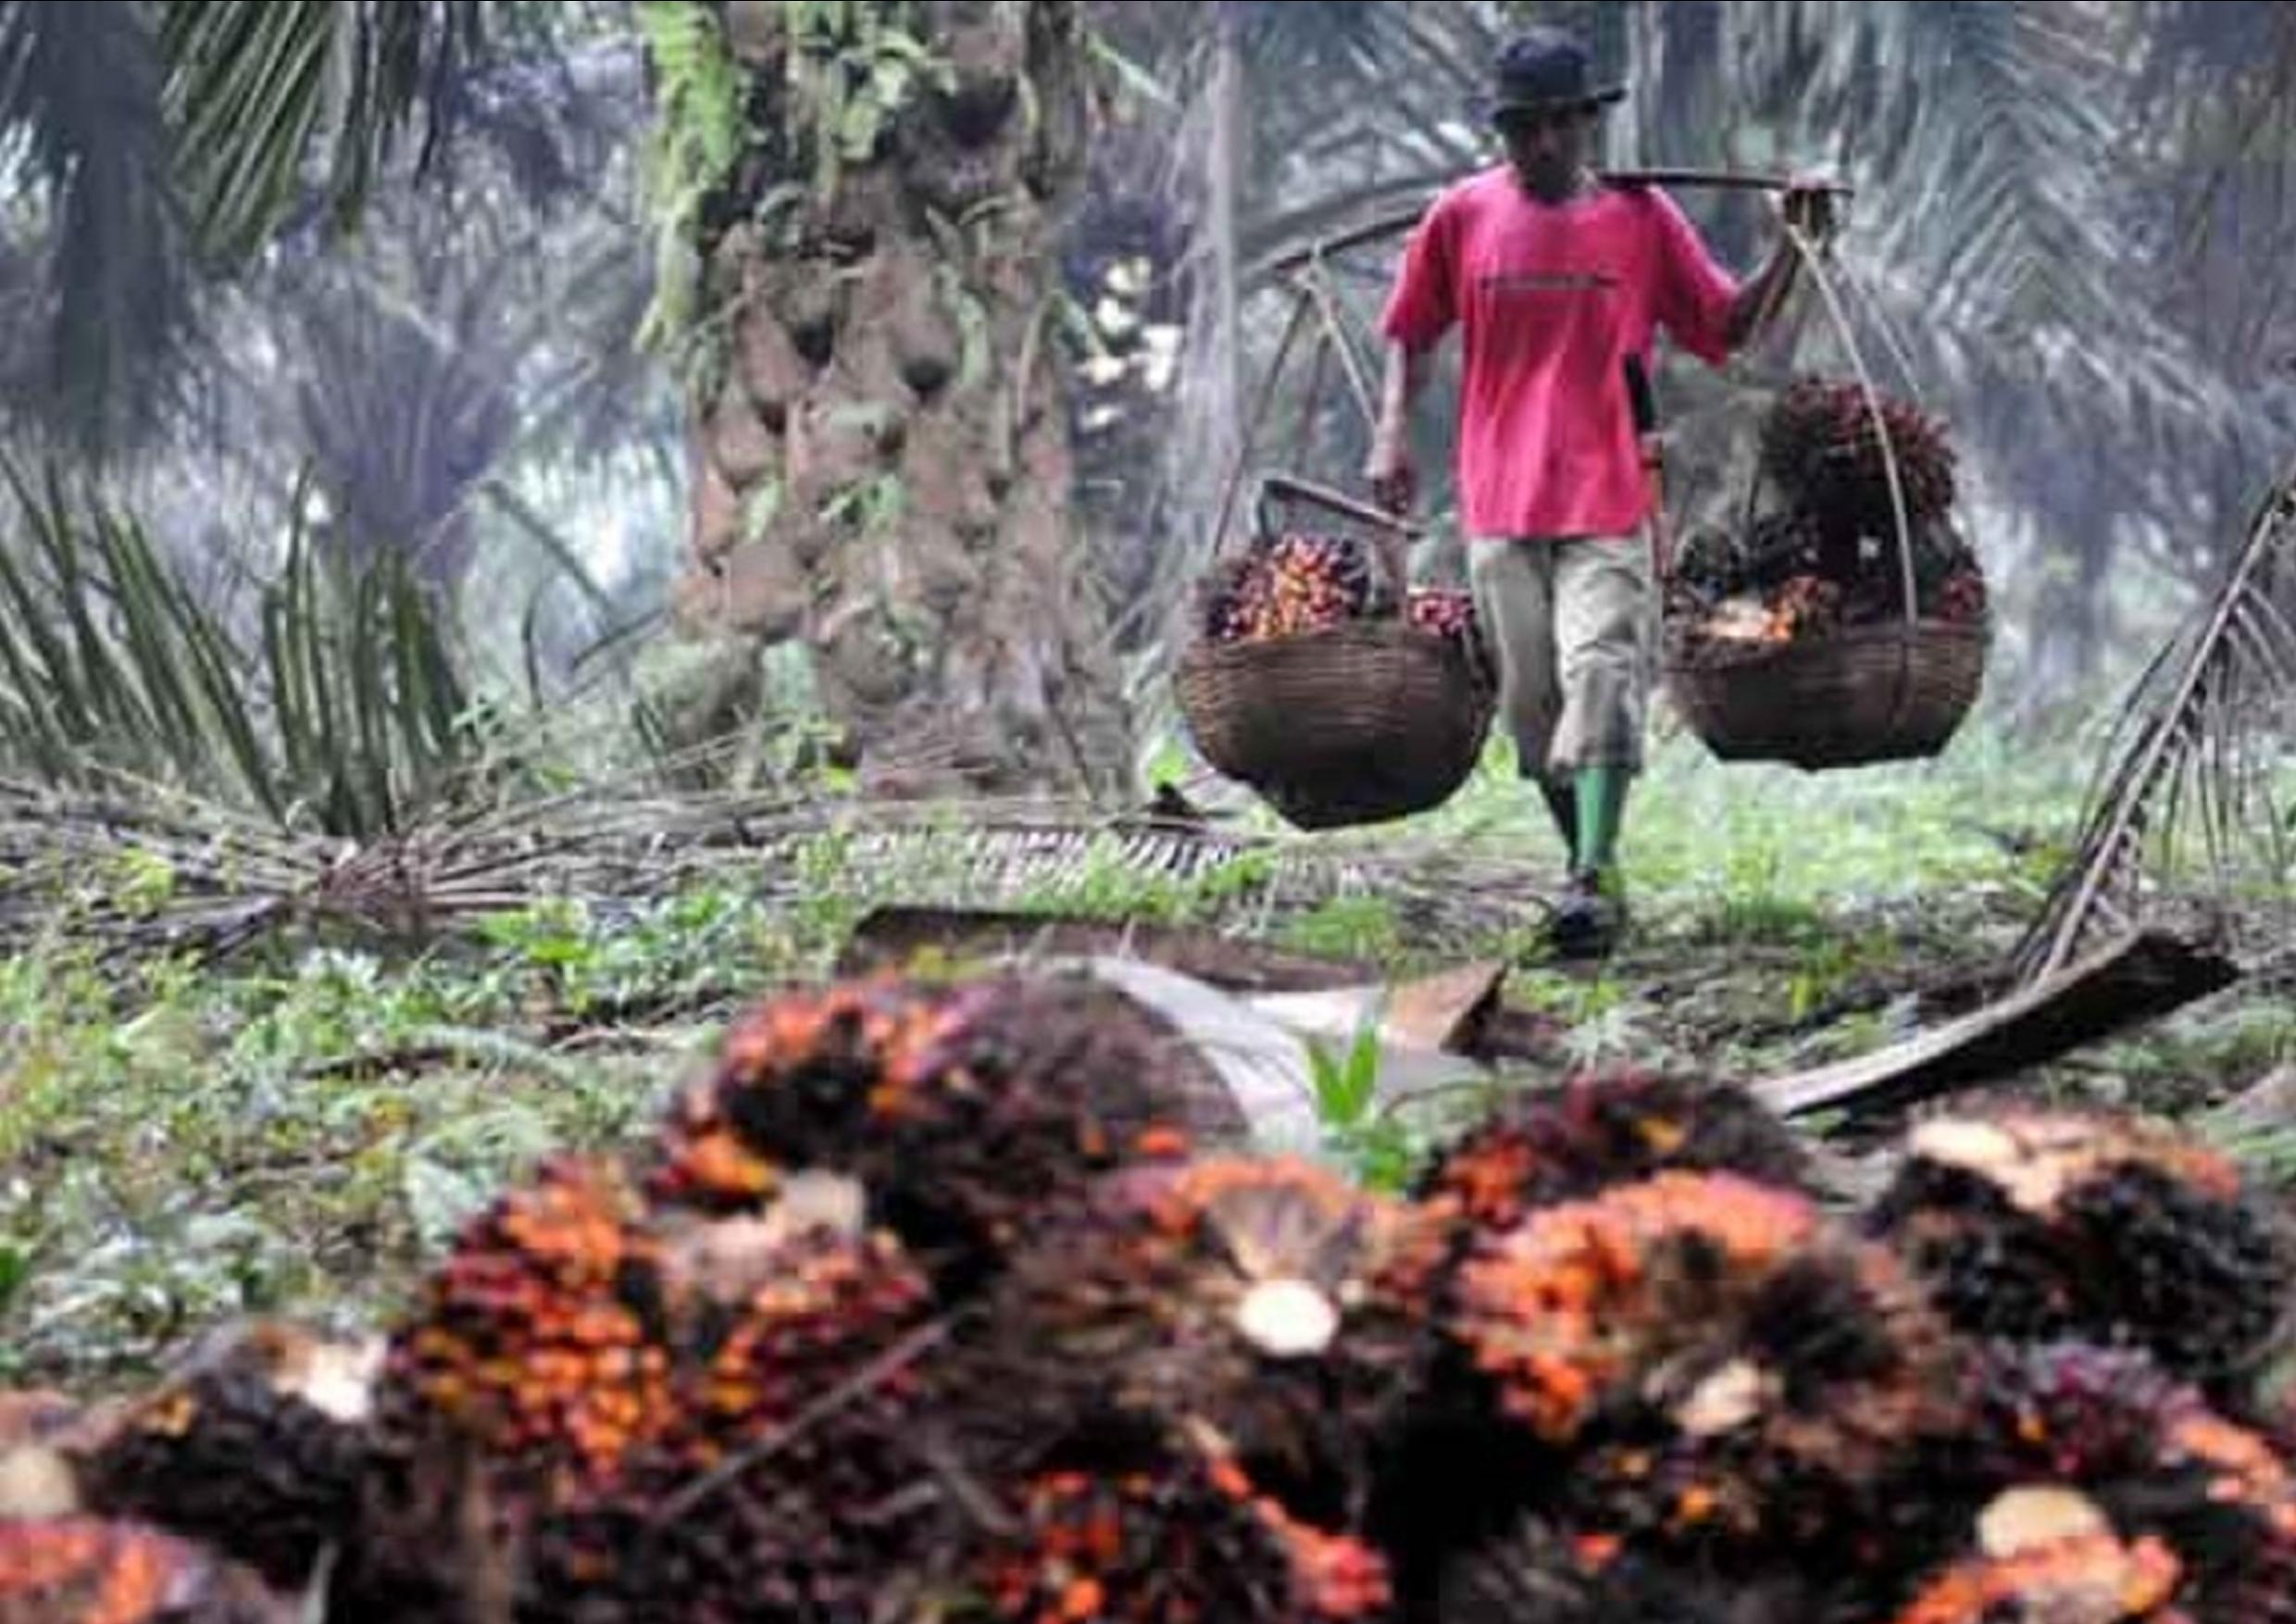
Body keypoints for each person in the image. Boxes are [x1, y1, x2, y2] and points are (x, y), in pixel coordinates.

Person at [1365, 24, 1837, 960]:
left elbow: (1725, 327)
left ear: (1587, 124)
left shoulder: (1638, 217)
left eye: (1556, 125)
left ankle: (1586, 874)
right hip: (1499, 494)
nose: (1539, 145)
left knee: (1602, 674)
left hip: (1608, 491)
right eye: (1521, 128)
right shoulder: (1459, 216)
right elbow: (1409, 332)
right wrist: (1388, 428)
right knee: (1532, 711)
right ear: (1502, 131)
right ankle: (1589, 871)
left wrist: (1793, 245)